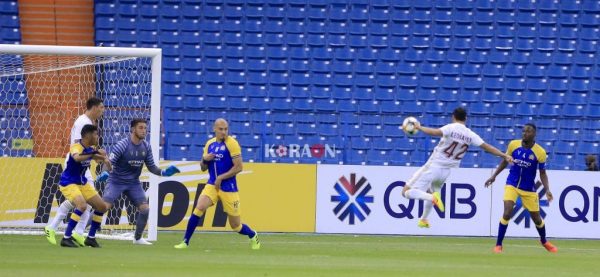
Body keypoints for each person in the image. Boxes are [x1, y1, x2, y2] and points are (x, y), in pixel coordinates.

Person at [402, 107, 513, 228]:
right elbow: (487, 147)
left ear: (453, 117)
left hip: (434, 166)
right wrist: (504, 155)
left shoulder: (451, 128)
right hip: (446, 172)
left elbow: (434, 132)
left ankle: (431, 198)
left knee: (406, 192)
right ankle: (424, 219)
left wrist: (419, 127)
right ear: (466, 118)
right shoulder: (470, 134)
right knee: (433, 191)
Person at [175, 118, 260, 250]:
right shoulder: (209, 144)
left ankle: (253, 234)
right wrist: (204, 159)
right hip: (212, 185)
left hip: (229, 188)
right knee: (199, 207)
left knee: (236, 226)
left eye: (226, 129)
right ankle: (185, 241)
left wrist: (221, 177)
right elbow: (203, 167)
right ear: (214, 129)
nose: (224, 132)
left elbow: (239, 167)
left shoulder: (232, 144)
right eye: (221, 129)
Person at [99, 119, 180, 245]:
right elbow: (109, 161)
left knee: (145, 209)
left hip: (133, 183)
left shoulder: (146, 147)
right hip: (116, 181)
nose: (144, 131)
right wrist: (104, 172)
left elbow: (152, 167)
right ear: (133, 129)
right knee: (103, 207)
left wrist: (164, 173)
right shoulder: (122, 145)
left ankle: (137, 238)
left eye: (145, 128)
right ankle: (80, 229)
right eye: (141, 128)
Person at [485, 123, 558, 253]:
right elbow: (504, 161)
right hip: (512, 184)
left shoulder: (540, 152)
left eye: (528, 131)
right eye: (523, 131)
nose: (525, 133)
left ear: (534, 134)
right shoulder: (513, 145)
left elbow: (542, 173)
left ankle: (544, 241)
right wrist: (494, 175)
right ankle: (498, 245)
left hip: (528, 189)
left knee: (537, 218)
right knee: (507, 212)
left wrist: (547, 189)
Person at [45, 97, 105, 246]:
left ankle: (72, 232)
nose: (103, 110)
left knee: (84, 201)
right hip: (76, 163)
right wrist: (96, 154)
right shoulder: (84, 122)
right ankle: (69, 232)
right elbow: (78, 148)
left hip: (83, 163)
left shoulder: (87, 121)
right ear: (94, 107)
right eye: (101, 107)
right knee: (82, 202)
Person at [57, 124, 110, 248]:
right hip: (69, 182)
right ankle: (66, 237)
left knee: (102, 207)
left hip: (82, 183)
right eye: (96, 134)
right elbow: (76, 158)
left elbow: (103, 161)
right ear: (88, 135)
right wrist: (94, 154)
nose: (98, 136)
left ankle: (91, 238)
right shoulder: (76, 146)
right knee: (82, 205)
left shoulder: (91, 149)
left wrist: (105, 161)